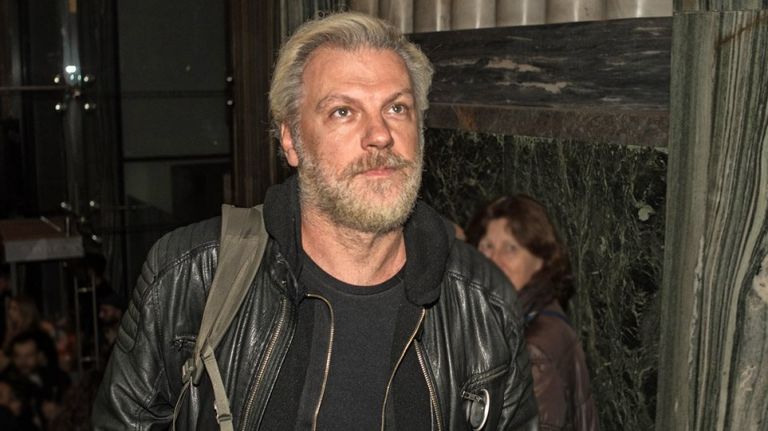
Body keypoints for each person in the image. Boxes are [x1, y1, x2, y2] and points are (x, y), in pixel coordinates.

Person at [93, 12, 537, 430]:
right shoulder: (190, 276)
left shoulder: (486, 305)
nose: (380, 135)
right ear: (291, 140)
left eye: (397, 108)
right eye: (343, 111)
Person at [467, 195, 597, 430]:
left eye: (510, 249)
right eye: (487, 246)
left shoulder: (534, 350)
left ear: (540, 261)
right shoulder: (535, 314)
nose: (493, 260)